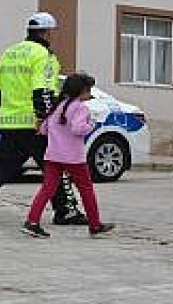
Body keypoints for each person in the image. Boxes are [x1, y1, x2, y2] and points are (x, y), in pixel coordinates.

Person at [0, 12, 84, 225]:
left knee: (3, 166)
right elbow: (43, 92)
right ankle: (66, 210)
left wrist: (10, 111)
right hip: (34, 123)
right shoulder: (43, 55)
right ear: (47, 33)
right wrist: (45, 120)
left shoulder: (10, 53)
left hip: (10, 121)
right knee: (55, 166)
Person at [22, 74, 114, 238]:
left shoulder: (58, 106)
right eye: (88, 90)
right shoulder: (81, 108)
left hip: (53, 155)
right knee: (86, 190)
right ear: (82, 91)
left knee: (47, 189)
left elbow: (43, 129)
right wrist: (91, 125)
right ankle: (95, 224)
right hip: (73, 157)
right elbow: (78, 129)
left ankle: (32, 221)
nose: (90, 93)